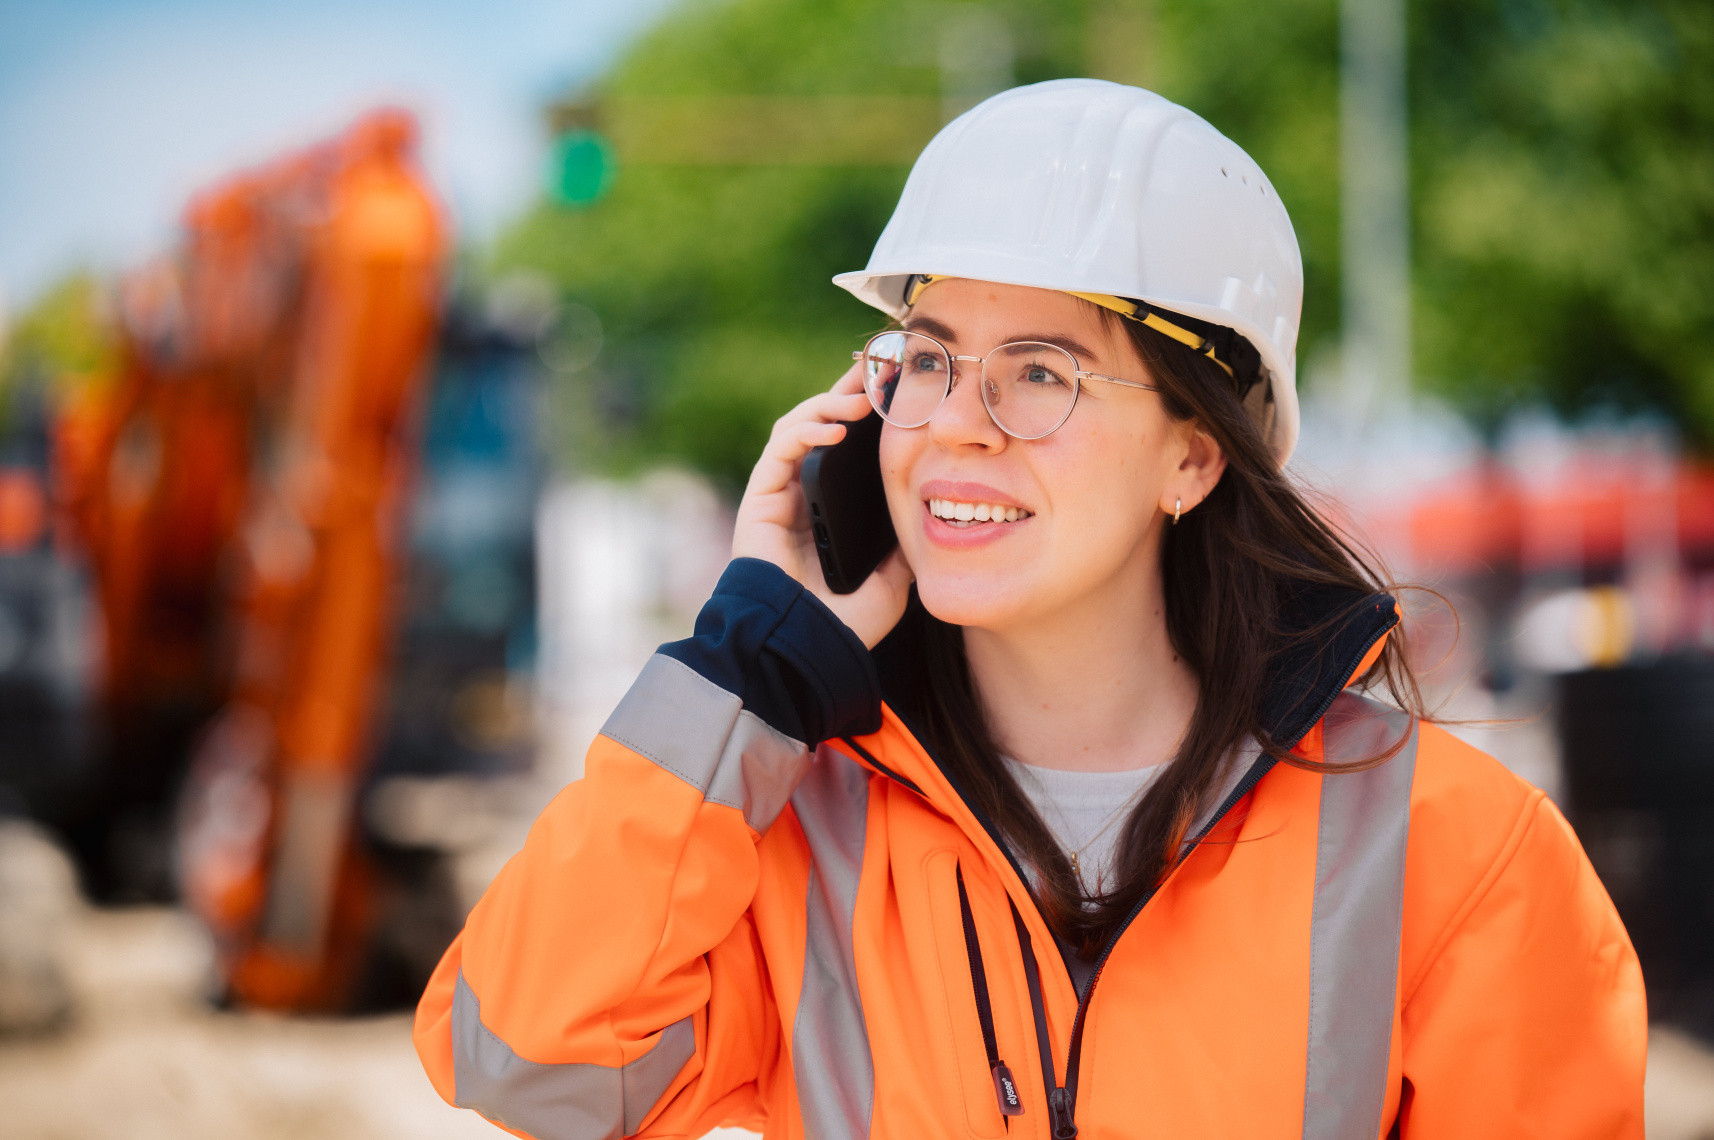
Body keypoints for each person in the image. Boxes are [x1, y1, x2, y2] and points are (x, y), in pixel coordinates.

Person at [415, 79, 1645, 1138]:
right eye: (932, 357)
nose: (954, 421)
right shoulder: (789, 830)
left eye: (1041, 374)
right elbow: (523, 1060)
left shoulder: (1450, 850)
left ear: (1192, 461)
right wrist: (744, 670)